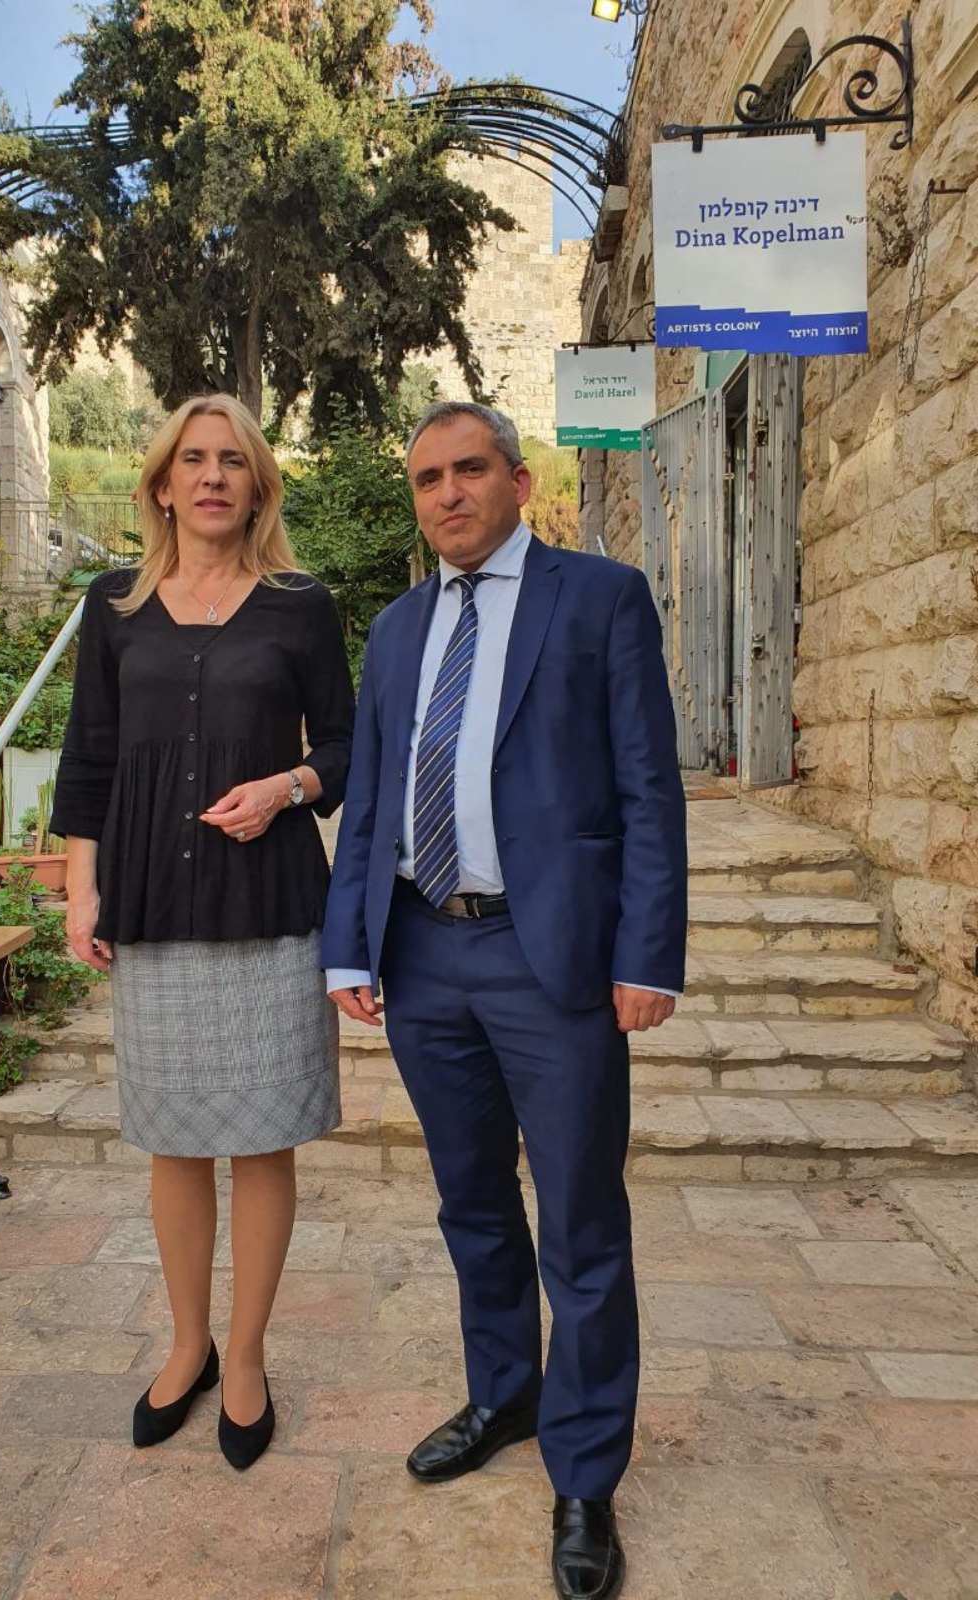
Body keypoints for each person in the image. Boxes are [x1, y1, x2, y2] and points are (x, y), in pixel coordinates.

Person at [322, 401, 686, 1599]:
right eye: (428, 477)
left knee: (580, 1221)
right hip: (425, 952)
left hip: (553, 959)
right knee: (471, 1201)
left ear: (518, 482)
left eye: (469, 469)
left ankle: (584, 1473)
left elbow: (649, 789)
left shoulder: (601, 599)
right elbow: (372, 796)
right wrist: (349, 947)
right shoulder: (396, 629)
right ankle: (504, 1394)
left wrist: (648, 955)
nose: (448, 494)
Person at [51, 393, 353, 1471]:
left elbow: (347, 746)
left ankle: (249, 1355)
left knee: (263, 1137)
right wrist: (81, 889)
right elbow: (89, 754)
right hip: (154, 902)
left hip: (268, 903)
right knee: (174, 1138)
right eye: (194, 459)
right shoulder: (114, 606)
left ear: (258, 486)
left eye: (233, 460)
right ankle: (187, 1345)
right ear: (163, 485)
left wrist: (286, 785)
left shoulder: (300, 606)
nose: (213, 475)